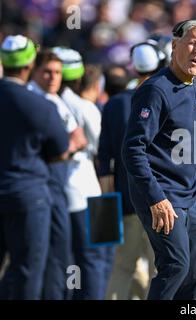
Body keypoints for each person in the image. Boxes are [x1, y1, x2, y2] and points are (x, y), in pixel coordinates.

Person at [122, 19, 196, 300]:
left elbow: (191, 149)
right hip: (162, 194)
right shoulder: (155, 89)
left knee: (193, 277)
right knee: (175, 266)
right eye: (192, 42)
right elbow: (133, 149)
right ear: (175, 45)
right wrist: (156, 198)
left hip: (188, 195)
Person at [0, 35, 69, 299]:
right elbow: (60, 147)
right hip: (28, 196)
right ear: (29, 64)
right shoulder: (39, 105)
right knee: (26, 270)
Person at [101, 41, 166, 300]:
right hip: (160, 200)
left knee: (122, 268)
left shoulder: (115, 103)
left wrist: (108, 203)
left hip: (124, 200)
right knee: (160, 270)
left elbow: (104, 159)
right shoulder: (164, 97)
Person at [28, 49, 88, 299]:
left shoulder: (55, 100)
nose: (53, 78)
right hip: (42, 182)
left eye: (57, 73)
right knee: (45, 254)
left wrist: (64, 148)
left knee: (59, 252)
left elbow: (79, 139)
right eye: (48, 72)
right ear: (34, 72)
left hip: (57, 182)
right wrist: (63, 148)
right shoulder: (32, 98)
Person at [53, 47, 106, 300]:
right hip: (90, 192)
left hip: (62, 192)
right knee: (95, 260)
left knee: (66, 262)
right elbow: (101, 148)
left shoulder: (51, 101)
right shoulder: (85, 108)